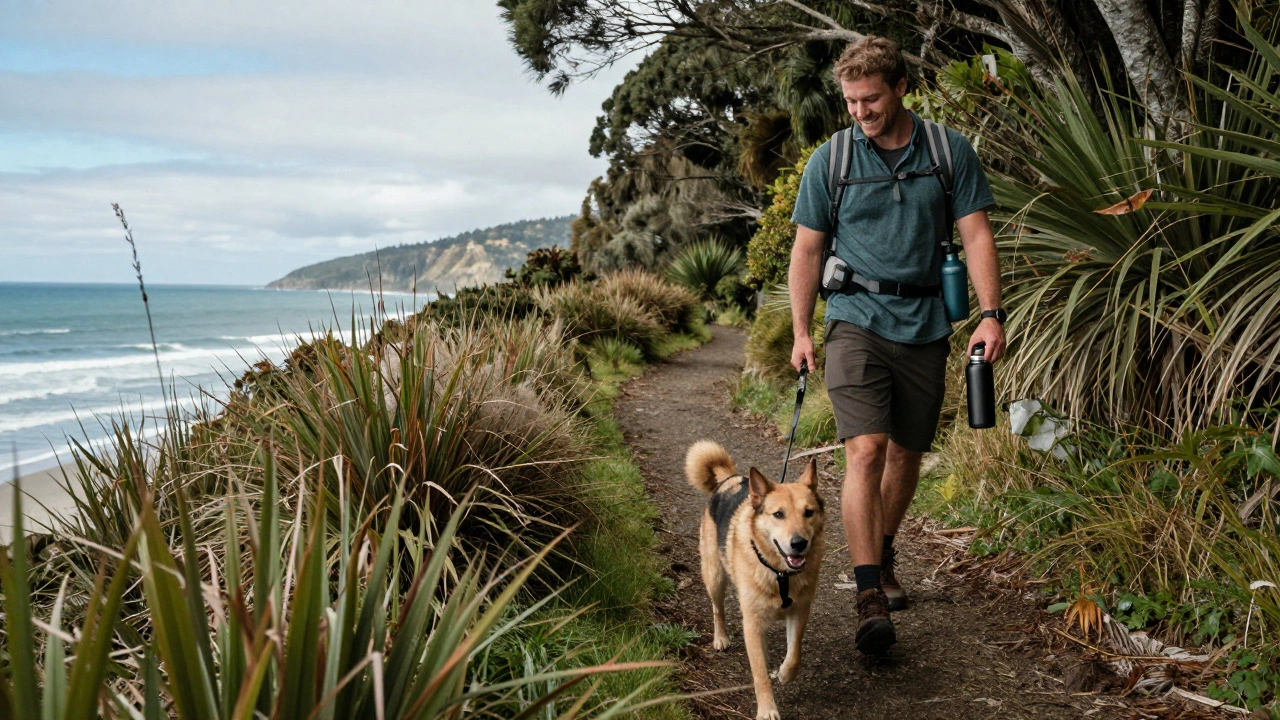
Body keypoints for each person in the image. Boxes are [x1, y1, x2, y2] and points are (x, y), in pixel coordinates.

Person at [787, 35, 1007, 656]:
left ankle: (880, 552)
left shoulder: (947, 150)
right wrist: (803, 331)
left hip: (927, 323)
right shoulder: (829, 161)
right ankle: (868, 595)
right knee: (866, 449)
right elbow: (807, 249)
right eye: (852, 101)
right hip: (854, 316)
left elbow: (977, 233)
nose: (860, 112)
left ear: (901, 88)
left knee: (907, 453)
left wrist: (990, 315)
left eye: (872, 100)